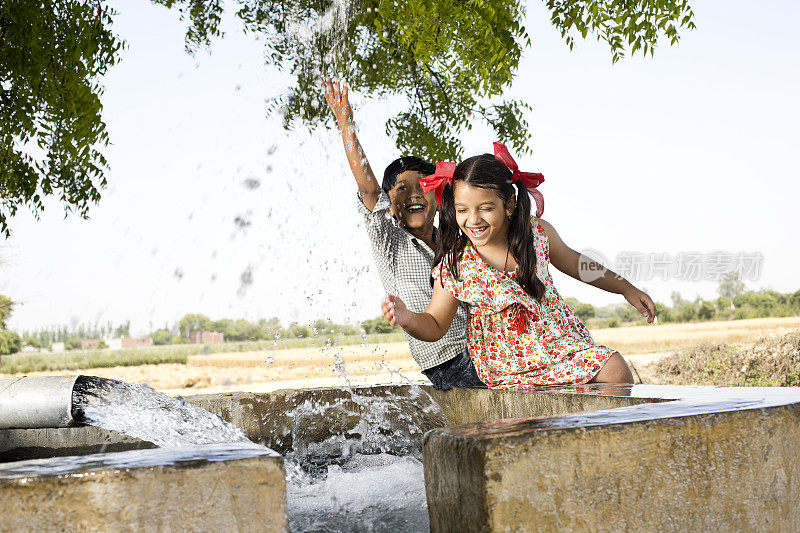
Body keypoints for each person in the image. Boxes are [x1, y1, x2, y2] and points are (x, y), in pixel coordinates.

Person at [381, 143, 657, 388]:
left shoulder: (536, 234)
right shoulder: (458, 264)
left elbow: (577, 263)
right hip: (511, 361)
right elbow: (435, 323)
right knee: (614, 368)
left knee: (608, 375)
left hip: (557, 341)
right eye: (463, 210)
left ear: (509, 204)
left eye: (485, 208)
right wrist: (407, 318)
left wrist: (625, 287)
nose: (473, 220)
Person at [321, 77, 485, 390]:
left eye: (422, 186)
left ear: (438, 196)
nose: (413, 195)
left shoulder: (454, 241)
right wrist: (346, 124)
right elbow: (368, 187)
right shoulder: (391, 242)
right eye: (400, 189)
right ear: (390, 205)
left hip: (480, 349)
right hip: (447, 362)